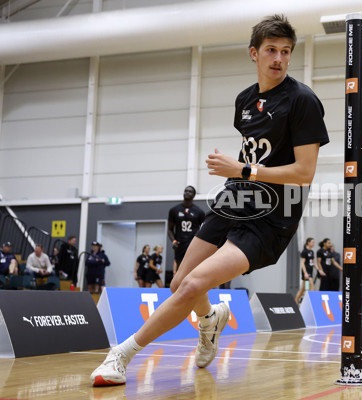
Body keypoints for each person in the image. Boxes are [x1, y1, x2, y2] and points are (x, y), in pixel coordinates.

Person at [91, 14, 329, 387]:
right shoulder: (246, 101)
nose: (279, 59)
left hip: (272, 218)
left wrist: (243, 169)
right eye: (271, 50)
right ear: (254, 53)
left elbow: (304, 173)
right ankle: (209, 320)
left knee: (190, 286)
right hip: (235, 200)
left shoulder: (302, 101)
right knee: (179, 283)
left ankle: (121, 355)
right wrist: (240, 174)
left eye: (286, 52)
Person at [168, 186, 205, 275]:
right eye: (186, 191)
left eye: (190, 191)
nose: (187, 192)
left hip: (193, 243)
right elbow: (170, 229)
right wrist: (173, 240)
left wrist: (200, 243)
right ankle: (179, 288)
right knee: (179, 268)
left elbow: (204, 229)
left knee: (193, 267)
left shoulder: (199, 212)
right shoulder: (174, 210)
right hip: (179, 243)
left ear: (194, 195)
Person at [294, 237, 316, 303]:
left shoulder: (311, 251)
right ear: (308, 242)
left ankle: (295, 302)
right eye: (312, 242)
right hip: (306, 272)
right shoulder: (304, 251)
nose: (313, 243)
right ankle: (311, 301)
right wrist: (305, 272)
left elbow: (313, 262)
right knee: (311, 285)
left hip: (310, 271)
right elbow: (302, 263)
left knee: (304, 289)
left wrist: (319, 269)